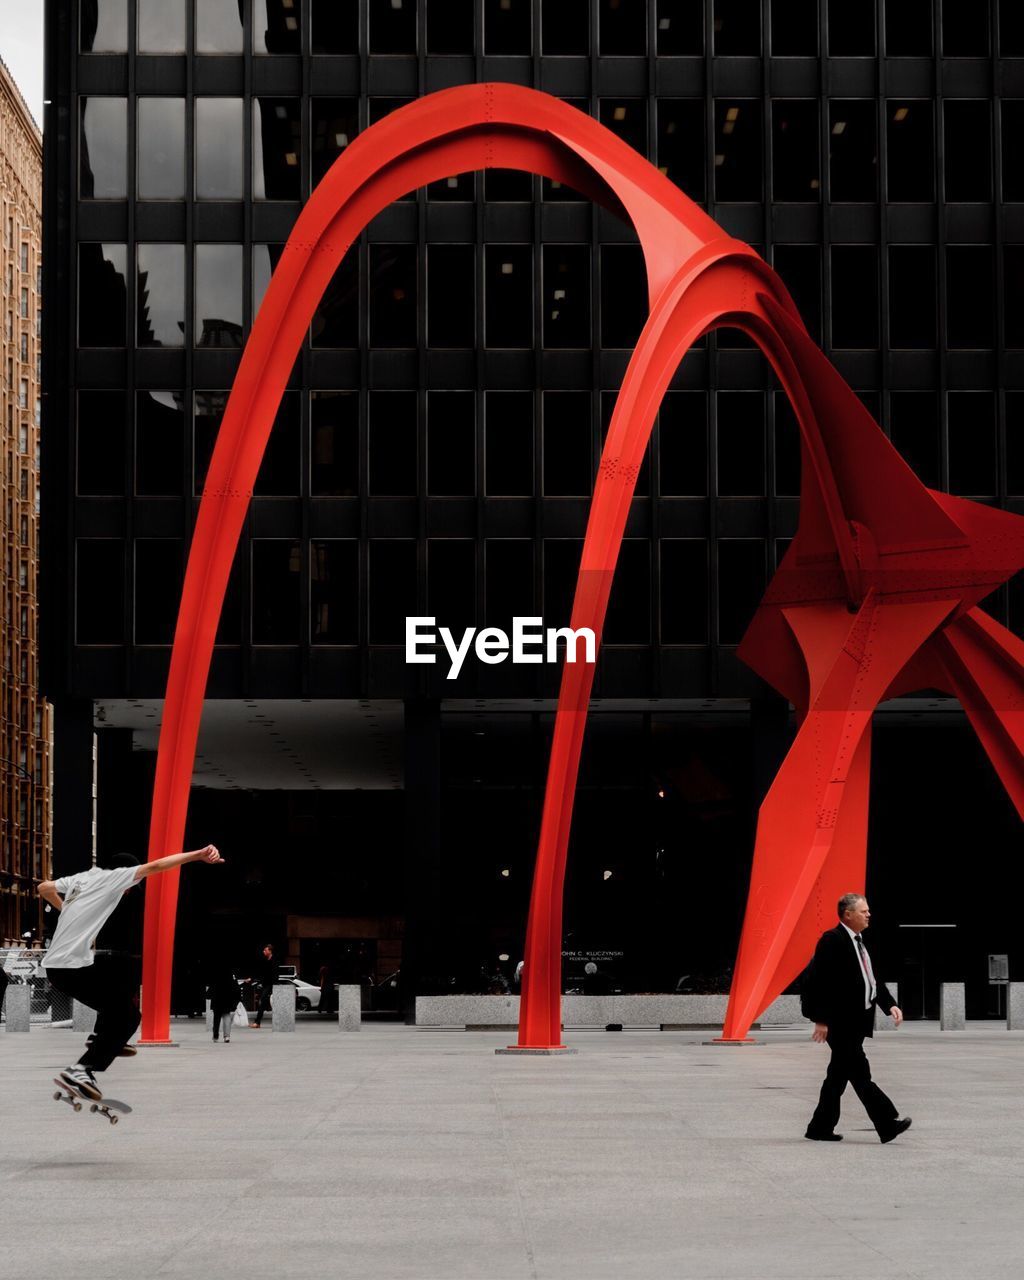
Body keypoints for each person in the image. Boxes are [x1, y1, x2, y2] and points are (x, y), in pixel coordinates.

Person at [38, 844, 224, 1101]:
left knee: (119, 976)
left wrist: (66, 912)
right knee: (128, 1017)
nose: (127, 891)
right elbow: (157, 866)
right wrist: (198, 855)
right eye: (130, 885)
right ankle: (83, 1069)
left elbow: (44, 888)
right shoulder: (113, 877)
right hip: (68, 968)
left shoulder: (83, 878)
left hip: (64, 966)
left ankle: (100, 1038)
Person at [801, 892, 912, 1144]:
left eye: (868, 910)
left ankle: (819, 1127)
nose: (869, 914)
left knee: (838, 1076)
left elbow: (870, 979)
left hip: (856, 1023)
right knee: (860, 1073)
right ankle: (886, 1123)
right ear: (848, 914)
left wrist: (890, 1005)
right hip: (840, 1024)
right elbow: (817, 981)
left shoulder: (859, 942)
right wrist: (820, 1019)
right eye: (864, 911)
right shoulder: (832, 940)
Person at [209, 964, 241, 1043]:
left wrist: (209, 994)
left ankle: (215, 1036)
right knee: (226, 1016)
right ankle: (227, 1036)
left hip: (217, 998)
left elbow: (211, 986)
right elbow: (235, 986)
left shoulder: (215, 973)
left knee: (216, 1018)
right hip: (227, 998)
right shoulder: (230, 973)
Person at [250, 944, 276, 1028]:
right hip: (266, 985)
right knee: (262, 1003)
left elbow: (275, 974)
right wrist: (252, 978)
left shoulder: (274, 960)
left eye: (265, 950)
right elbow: (261, 973)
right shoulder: (265, 960)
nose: (263, 951)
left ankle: (257, 1022)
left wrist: (274, 985)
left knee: (263, 1002)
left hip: (271, 985)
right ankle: (257, 1022)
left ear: (270, 951)